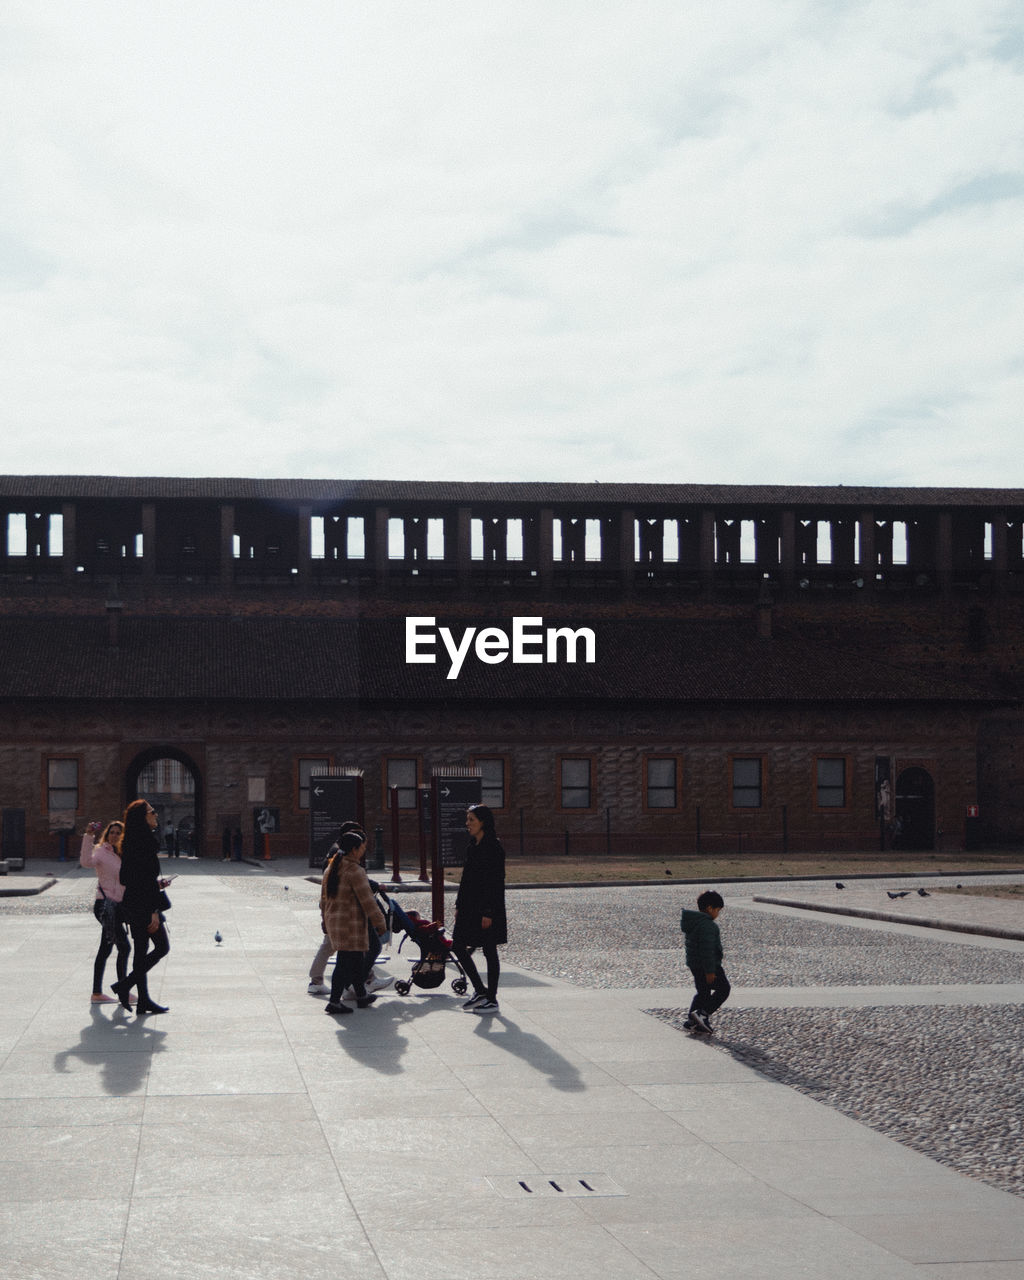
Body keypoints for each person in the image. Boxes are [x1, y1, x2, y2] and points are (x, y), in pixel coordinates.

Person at [308, 822, 392, 997]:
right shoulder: (354, 870)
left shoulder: (332, 867)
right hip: (350, 924)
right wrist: (381, 923)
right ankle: (337, 998)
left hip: (336, 921)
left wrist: (324, 918)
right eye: (362, 846)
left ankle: (359, 994)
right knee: (347, 960)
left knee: (351, 960)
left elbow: (323, 899)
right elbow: (368, 901)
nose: (364, 849)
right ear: (353, 849)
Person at [113, 798, 172, 1015]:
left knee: (141, 951)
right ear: (142, 817)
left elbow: (131, 878)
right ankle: (125, 985)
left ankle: (143, 999)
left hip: (135, 903)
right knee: (162, 947)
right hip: (143, 906)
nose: (155, 815)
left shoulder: (132, 841)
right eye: (151, 811)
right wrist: (153, 911)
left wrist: (154, 884)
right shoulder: (143, 843)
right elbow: (134, 878)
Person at [452, 804, 507, 1015]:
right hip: (468, 906)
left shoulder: (493, 847)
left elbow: (495, 882)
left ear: (483, 822)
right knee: (457, 945)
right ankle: (480, 990)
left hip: (487, 908)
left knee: (489, 950)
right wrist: (458, 905)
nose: (467, 824)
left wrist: (489, 912)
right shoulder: (472, 845)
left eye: (471, 820)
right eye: (467, 820)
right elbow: (466, 880)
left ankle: (492, 998)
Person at [79, 819, 132, 1004]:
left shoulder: (124, 855)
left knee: (106, 948)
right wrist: (88, 836)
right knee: (124, 947)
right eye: (112, 832)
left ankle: (97, 993)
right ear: (107, 834)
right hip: (105, 906)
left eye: (118, 833)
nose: (115, 835)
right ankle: (122, 990)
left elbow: (130, 882)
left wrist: (156, 885)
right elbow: (86, 862)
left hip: (119, 907)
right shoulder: (101, 852)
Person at [680, 890, 730, 1034]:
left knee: (703, 993)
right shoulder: (708, 926)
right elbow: (707, 950)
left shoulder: (694, 922)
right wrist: (710, 971)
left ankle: (691, 1021)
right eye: (717, 910)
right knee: (724, 989)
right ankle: (702, 1014)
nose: (718, 914)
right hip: (709, 966)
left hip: (695, 964)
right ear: (710, 908)